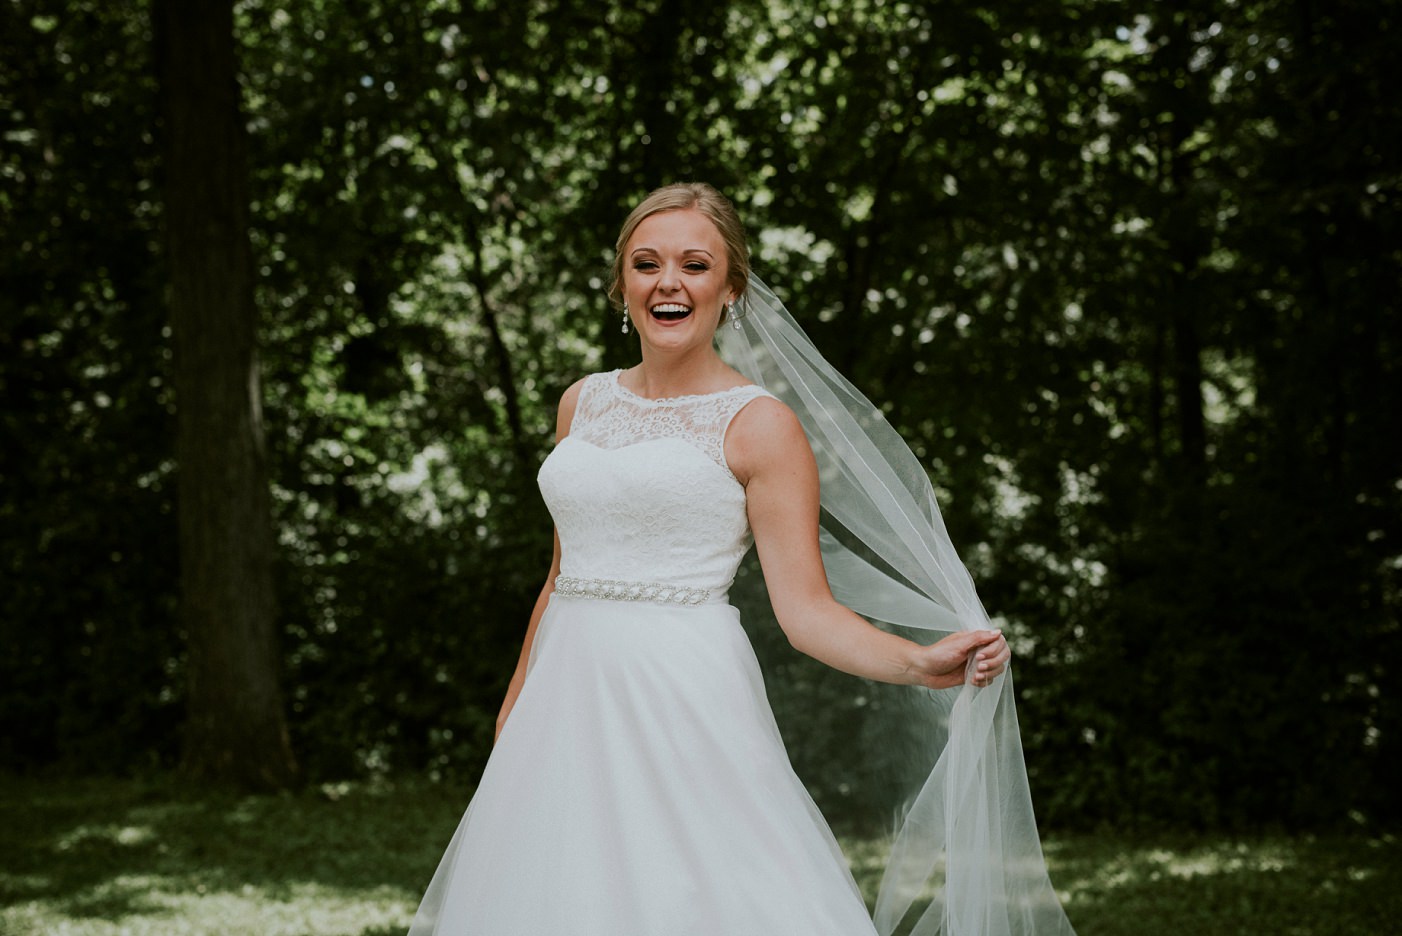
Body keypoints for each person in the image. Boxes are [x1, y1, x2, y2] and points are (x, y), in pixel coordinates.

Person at [407, 183, 1071, 936]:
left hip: (683, 695)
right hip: (564, 698)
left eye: (695, 264)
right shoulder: (580, 404)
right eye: (647, 262)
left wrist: (918, 663)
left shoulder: (760, 426)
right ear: (622, 282)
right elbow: (563, 574)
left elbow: (806, 611)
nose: (669, 282)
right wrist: (514, 709)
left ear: (730, 288)